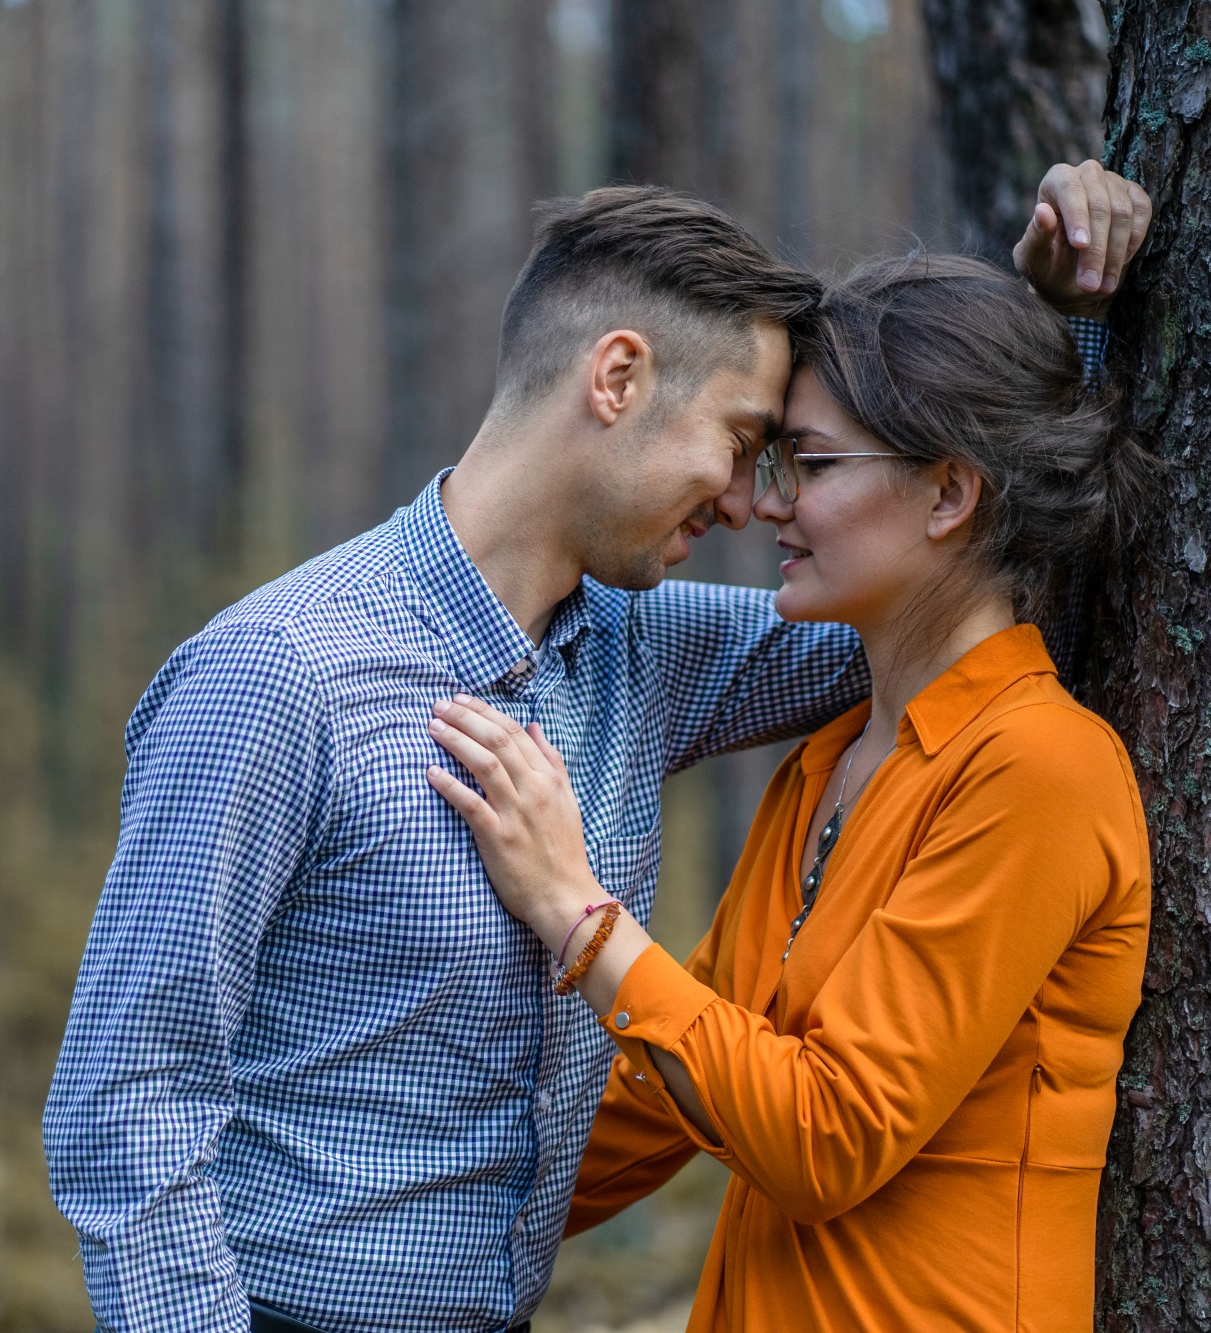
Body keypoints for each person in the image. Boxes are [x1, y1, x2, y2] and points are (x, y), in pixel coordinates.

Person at [46, 161, 1145, 1331]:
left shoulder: (649, 656)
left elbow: (957, 585)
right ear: (616, 378)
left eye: (790, 461)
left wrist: (1069, 324)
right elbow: (129, 1097)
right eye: (738, 442)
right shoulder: (276, 675)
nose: (744, 501)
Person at [424, 176, 1154, 1330]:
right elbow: (677, 1091)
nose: (763, 504)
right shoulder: (825, 761)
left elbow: (828, 1135)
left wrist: (577, 916)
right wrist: (394, 1209)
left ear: (947, 493)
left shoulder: (1040, 771)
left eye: (806, 465)